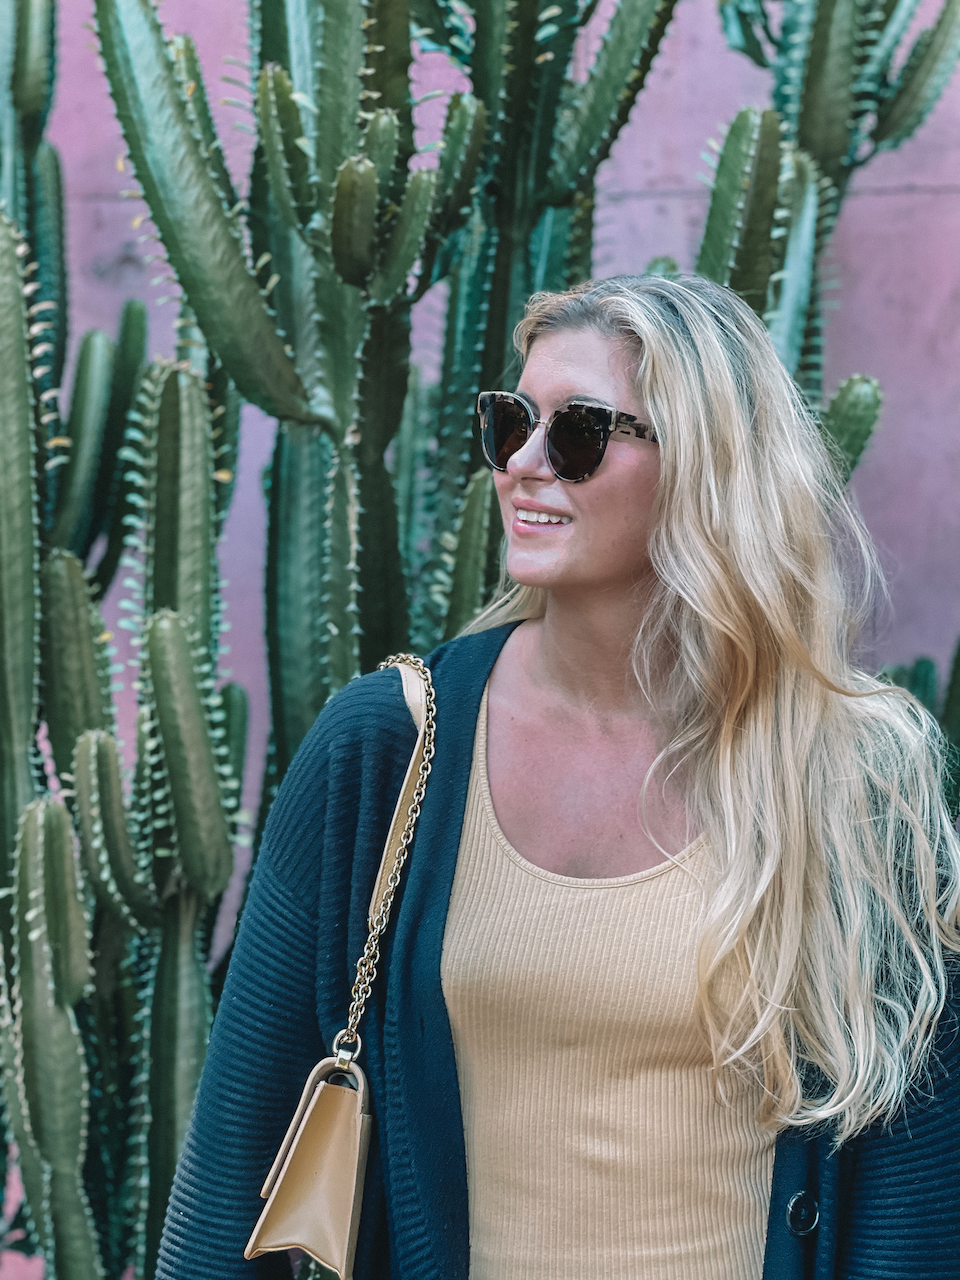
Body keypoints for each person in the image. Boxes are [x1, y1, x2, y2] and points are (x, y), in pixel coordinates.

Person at [157, 275, 960, 1280]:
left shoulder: (855, 775)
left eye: (578, 432)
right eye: (509, 422)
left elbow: (916, 1188)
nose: (525, 464)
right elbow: (229, 1180)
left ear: (704, 467)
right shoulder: (389, 749)